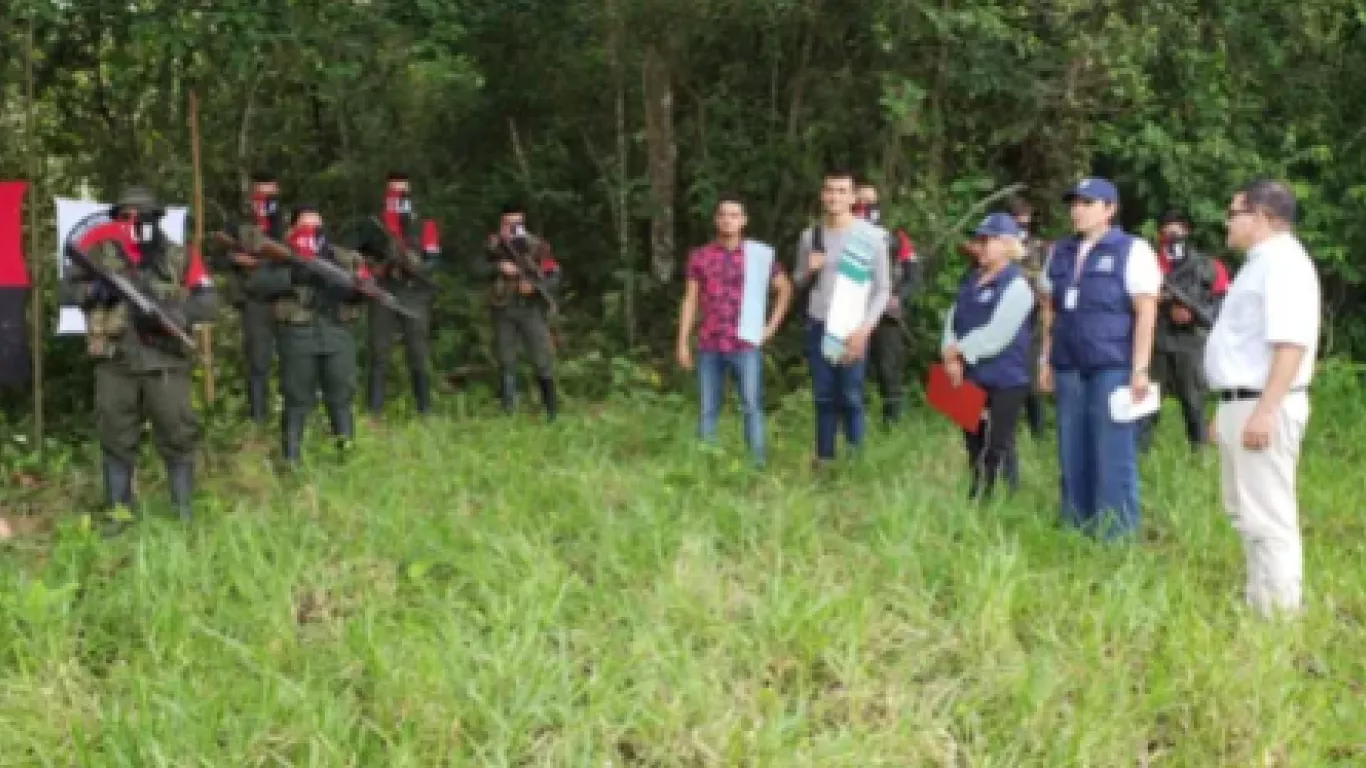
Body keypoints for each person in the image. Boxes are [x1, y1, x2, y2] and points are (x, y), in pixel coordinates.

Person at [61, 185, 217, 524]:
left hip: (165, 361)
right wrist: (95, 290)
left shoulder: (178, 255)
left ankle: (183, 512)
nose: (131, 223)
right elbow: (67, 289)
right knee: (115, 437)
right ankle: (120, 515)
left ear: (155, 220)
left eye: (139, 217)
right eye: (125, 216)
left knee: (177, 434)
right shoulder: (97, 253)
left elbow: (208, 301)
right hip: (115, 360)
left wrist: (178, 315)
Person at [1205, 179, 1320, 618]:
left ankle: (1279, 616)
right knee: (1244, 510)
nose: (1227, 222)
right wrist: (1229, 407)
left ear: (1264, 218)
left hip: (1264, 403)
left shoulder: (1283, 265)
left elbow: (1289, 344)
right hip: (1244, 401)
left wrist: (1265, 410)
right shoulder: (1258, 264)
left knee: (1268, 512)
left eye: (1235, 213)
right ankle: (1261, 602)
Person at [1038, 177, 1160, 539]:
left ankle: (1116, 533)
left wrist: (1140, 368)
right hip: (1068, 363)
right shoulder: (1059, 252)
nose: (1077, 210)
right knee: (1071, 446)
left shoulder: (1132, 250)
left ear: (1110, 209)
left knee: (1112, 450)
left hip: (1112, 364)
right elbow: (1049, 305)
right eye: (1074, 203)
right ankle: (1076, 524)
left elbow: (1146, 311)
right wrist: (1045, 358)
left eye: (1087, 203)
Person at [675, 193, 792, 466]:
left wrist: (771, 326)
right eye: (723, 215)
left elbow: (784, 288)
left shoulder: (759, 255)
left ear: (744, 221)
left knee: (751, 405)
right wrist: (682, 341)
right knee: (707, 408)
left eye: (734, 215)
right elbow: (690, 298)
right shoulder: (701, 256)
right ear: (716, 220)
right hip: (710, 341)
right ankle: (706, 464)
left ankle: (757, 463)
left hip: (745, 342)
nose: (728, 220)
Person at [247, 206, 369, 465]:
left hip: (337, 335)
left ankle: (345, 457)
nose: (313, 234)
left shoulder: (342, 258)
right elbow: (256, 286)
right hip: (298, 335)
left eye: (318, 227)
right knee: (296, 400)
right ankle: (291, 460)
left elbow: (366, 285)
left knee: (341, 398)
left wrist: (354, 290)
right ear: (292, 230)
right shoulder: (281, 258)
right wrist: (292, 275)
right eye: (306, 227)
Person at [793, 168, 892, 467]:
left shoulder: (871, 236)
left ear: (852, 197)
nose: (834, 197)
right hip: (819, 323)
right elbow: (798, 281)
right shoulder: (811, 236)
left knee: (850, 395)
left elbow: (883, 288)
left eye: (841, 191)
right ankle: (824, 459)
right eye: (829, 190)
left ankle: (854, 461)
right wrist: (809, 269)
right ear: (822, 195)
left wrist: (865, 329)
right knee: (823, 396)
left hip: (852, 325)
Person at [941, 214, 1036, 500]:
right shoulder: (970, 280)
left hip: (1006, 378)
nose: (981, 246)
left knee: (999, 443)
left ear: (1007, 245)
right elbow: (952, 319)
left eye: (988, 240)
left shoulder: (1018, 286)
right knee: (973, 440)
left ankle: (1005, 497)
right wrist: (949, 356)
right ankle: (977, 493)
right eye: (979, 240)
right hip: (970, 375)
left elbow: (997, 334)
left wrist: (959, 351)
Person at [1138, 209, 1222, 453]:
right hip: (1157, 340)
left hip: (1190, 342)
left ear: (1187, 232)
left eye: (1179, 228)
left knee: (1193, 404)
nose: (1174, 233)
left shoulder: (1209, 266)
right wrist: (1165, 307)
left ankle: (1200, 457)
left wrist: (1192, 315)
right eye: (1168, 228)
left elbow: (1219, 304)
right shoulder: (1149, 264)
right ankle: (1140, 456)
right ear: (1160, 233)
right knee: (1147, 405)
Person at [358, 172, 440, 417]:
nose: (399, 197)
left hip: (414, 292)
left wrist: (415, 268)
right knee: (379, 352)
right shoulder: (373, 224)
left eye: (403, 192)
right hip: (383, 291)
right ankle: (374, 412)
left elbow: (433, 259)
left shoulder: (424, 223)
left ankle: (425, 411)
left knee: (418, 353)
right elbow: (358, 257)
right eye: (393, 192)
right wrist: (378, 267)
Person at [479, 202, 562, 421]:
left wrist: (534, 287)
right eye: (509, 224)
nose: (514, 229)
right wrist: (499, 267)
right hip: (503, 307)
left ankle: (551, 410)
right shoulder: (492, 244)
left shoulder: (537, 247)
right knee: (506, 359)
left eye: (518, 224)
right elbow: (476, 268)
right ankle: (508, 410)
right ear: (502, 223)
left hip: (531, 309)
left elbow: (553, 275)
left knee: (541, 357)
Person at [217, 172, 284, 425]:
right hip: (255, 300)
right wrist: (237, 259)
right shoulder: (238, 224)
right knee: (258, 361)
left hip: (287, 297)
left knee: (295, 358)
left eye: (269, 195)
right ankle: (258, 418)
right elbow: (218, 258)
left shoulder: (288, 222)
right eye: (260, 194)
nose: (264, 200)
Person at [855, 182, 922, 426]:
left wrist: (899, 297)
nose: (866, 206)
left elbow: (912, 273)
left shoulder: (895, 235)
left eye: (871, 201)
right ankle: (853, 423)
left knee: (888, 369)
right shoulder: (843, 229)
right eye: (860, 201)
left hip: (886, 312)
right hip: (852, 312)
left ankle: (891, 423)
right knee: (852, 368)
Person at [1008, 195, 1050, 439]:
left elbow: (1044, 284)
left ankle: (1038, 434)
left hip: (1031, 319)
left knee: (1032, 383)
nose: (1022, 229)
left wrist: (1023, 256)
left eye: (1025, 224)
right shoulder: (997, 247)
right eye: (1017, 223)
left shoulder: (1040, 248)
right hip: (1003, 321)